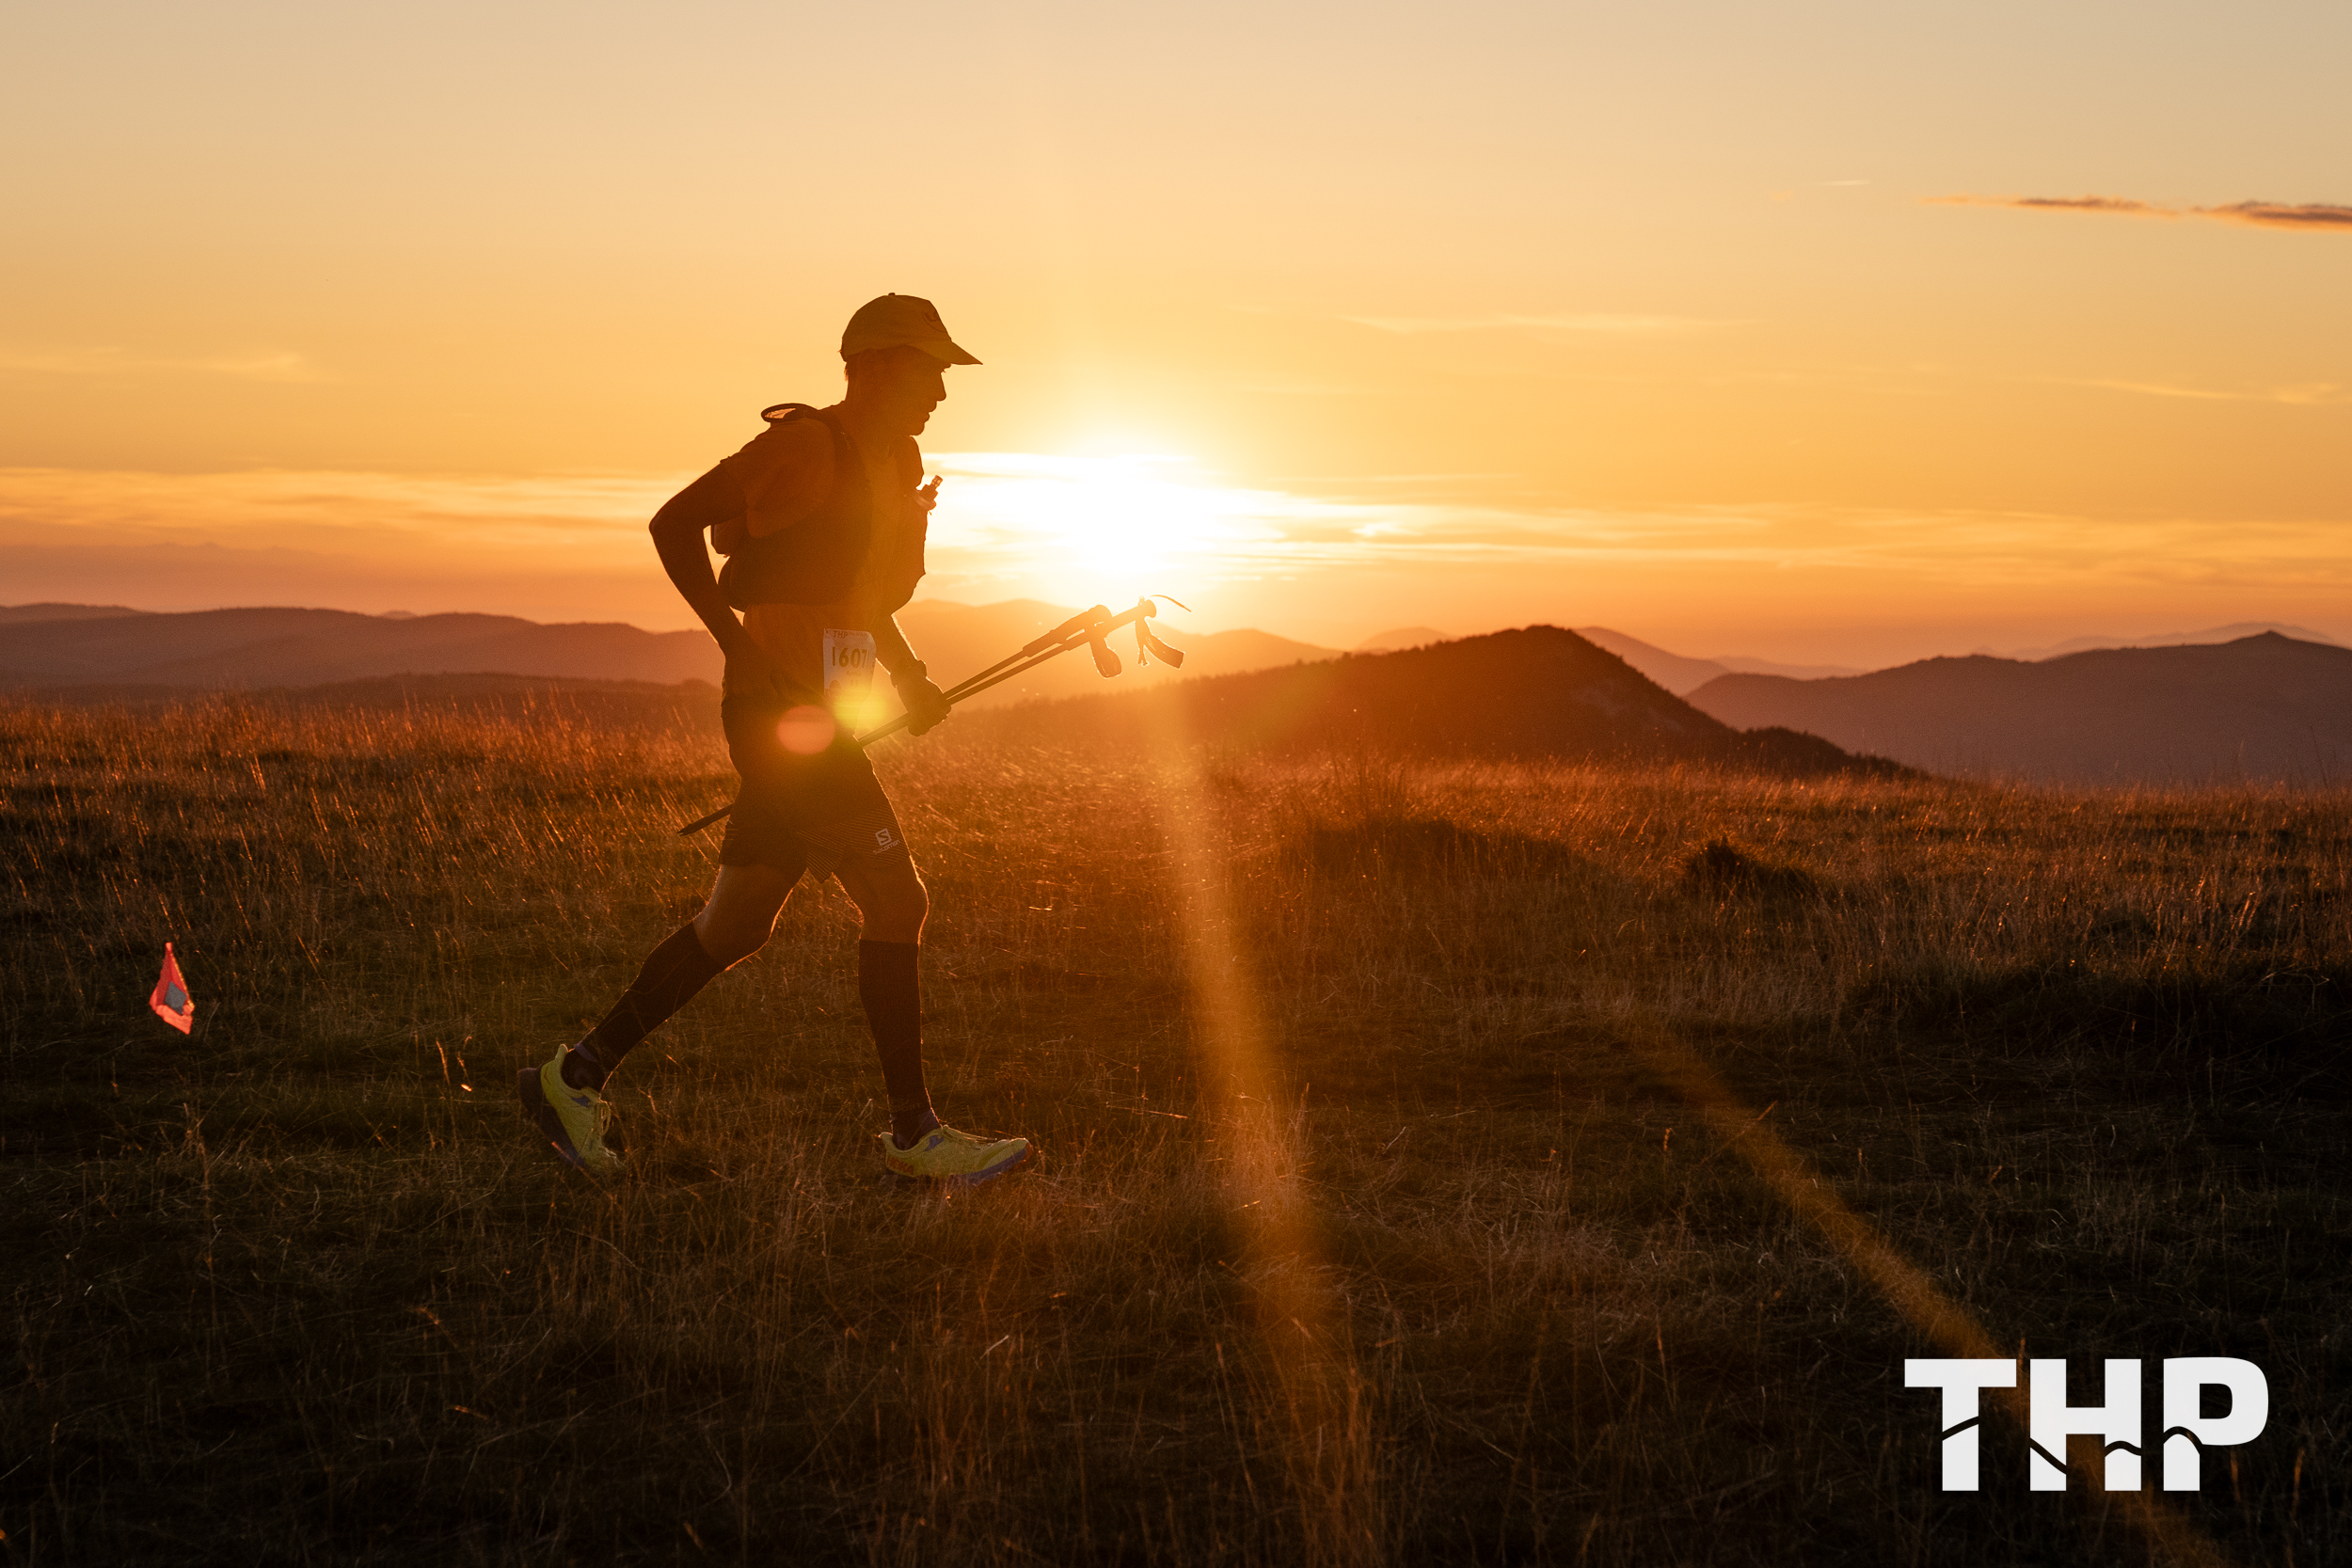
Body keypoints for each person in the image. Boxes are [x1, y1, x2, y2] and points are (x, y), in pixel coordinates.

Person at [519, 293, 1031, 1186]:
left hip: (823, 710)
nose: (941, 392)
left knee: (735, 925)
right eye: (928, 370)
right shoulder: (800, 445)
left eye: (946, 373)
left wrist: (906, 675)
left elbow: (861, 597)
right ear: (871, 366)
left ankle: (572, 1077)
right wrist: (735, 644)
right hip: (779, 713)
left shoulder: (894, 458)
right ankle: (915, 1134)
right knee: (898, 901)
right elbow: (672, 523)